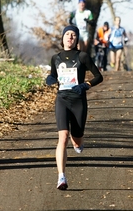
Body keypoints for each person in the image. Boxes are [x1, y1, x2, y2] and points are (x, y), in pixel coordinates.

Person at [45, 25, 103, 190]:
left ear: (76, 39)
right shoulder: (55, 58)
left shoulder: (82, 56)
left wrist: (86, 85)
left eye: (73, 35)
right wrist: (50, 79)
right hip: (62, 99)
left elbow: (99, 76)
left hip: (78, 101)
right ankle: (61, 177)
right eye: (67, 34)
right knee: (62, 137)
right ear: (62, 38)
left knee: (77, 139)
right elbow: (53, 75)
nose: (70, 37)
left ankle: (77, 142)